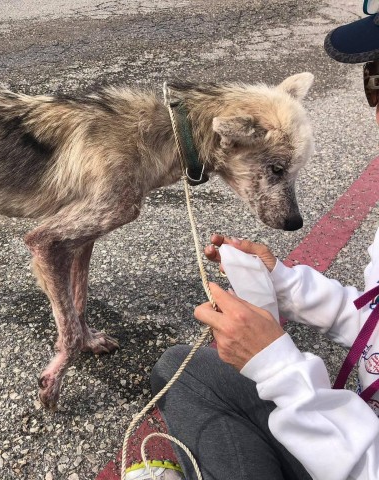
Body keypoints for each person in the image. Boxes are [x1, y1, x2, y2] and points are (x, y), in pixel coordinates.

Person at [150, 4, 379, 479]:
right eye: (375, 80)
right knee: (184, 368)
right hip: (353, 422)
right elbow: (373, 321)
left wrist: (281, 370)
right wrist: (285, 285)